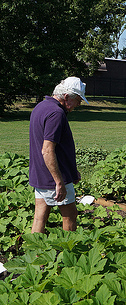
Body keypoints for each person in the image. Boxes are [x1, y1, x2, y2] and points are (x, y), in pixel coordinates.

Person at [29, 77, 89, 233]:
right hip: (55, 177)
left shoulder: (41, 107)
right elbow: (47, 150)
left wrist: (72, 171)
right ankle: (69, 252)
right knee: (70, 215)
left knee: (39, 217)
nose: (79, 104)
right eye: (78, 100)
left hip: (41, 174)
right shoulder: (56, 114)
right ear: (67, 97)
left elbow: (59, 148)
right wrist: (59, 182)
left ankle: (35, 253)